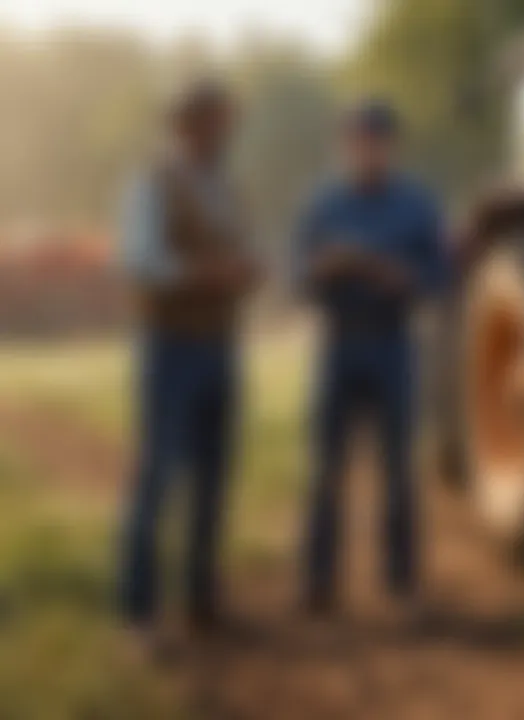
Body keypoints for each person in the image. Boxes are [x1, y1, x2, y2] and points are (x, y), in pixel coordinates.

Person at [118, 80, 260, 641]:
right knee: (156, 481)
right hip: (170, 347)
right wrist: (211, 275)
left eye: (227, 122)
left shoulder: (228, 186)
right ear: (186, 125)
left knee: (214, 478)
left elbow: (238, 250)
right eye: (215, 122)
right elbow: (141, 263)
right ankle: (139, 613)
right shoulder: (151, 183)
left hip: (221, 345)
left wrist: (249, 270)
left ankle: (202, 599)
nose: (224, 132)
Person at [296, 99, 449, 614]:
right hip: (337, 341)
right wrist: (327, 269)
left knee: (398, 469)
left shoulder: (418, 203)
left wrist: (401, 277)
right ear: (345, 145)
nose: (368, 151)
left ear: (391, 146)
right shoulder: (322, 202)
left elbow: (441, 279)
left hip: (393, 342)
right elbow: (297, 279)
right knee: (326, 467)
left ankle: (400, 581)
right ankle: (318, 582)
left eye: (378, 142)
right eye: (359, 142)